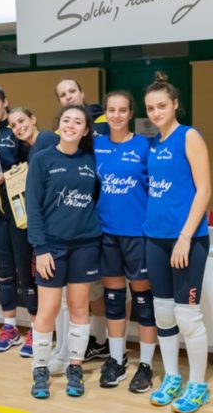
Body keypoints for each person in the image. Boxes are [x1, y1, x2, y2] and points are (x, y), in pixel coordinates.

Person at [143, 72, 211, 412]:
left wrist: (185, 237)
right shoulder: (154, 144)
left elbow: (204, 190)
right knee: (164, 314)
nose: (156, 113)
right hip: (154, 240)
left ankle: (198, 385)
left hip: (188, 241)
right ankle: (172, 377)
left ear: (175, 105)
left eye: (162, 106)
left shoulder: (189, 136)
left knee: (188, 316)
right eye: (151, 108)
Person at [27, 104, 102, 399]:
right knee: (48, 310)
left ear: (85, 130)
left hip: (85, 244)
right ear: (59, 125)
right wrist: (41, 248)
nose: (71, 125)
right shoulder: (43, 159)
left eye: (78, 122)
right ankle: (40, 368)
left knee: (80, 309)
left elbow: (94, 198)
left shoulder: (90, 160)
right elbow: (33, 208)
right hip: (51, 247)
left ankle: (75, 367)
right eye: (66, 120)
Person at [93, 91, 156, 392]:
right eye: (111, 110)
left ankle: (145, 365)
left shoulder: (145, 146)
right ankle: (117, 359)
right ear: (105, 113)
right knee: (114, 300)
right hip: (106, 234)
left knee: (143, 301)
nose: (116, 115)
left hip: (138, 234)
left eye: (122, 110)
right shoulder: (96, 146)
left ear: (130, 113)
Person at [52, 78, 110, 371]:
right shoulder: (60, 138)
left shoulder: (102, 125)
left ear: (82, 93)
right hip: (69, 230)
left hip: (98, 226)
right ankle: (67, 350)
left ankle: (101, 343)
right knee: (71, 299)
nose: (68, 97)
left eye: (72, 91)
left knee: (97, 291)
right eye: (62, 95)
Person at [0, 85, 35, 357]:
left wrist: (9, 175)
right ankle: (10, 328)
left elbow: (30, 167)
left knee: (25, 271)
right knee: (4, 271)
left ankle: (36, 330)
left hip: (19, 210)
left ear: (5, 102)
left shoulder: (17, 131)